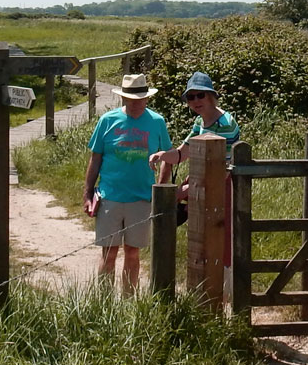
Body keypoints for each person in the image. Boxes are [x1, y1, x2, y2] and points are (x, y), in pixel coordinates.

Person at [84, 73, 173, 294]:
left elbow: (168, 158)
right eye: (130, 98)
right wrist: (87, 194)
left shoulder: (157, 122)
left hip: (142, 198)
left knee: (133, 252)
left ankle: (128, 301)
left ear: (147, 98)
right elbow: (95, 158)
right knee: (109, 251)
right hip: (109, 196)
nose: (135, 103)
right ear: (123, 98)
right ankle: (102, 302)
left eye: (140, 99)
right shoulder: (107, 120)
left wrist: (159, 190)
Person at [149, 71, 239, 270]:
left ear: (211, 96)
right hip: (202, 189)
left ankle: (224, 296)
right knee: (202, 245)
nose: (196, 101)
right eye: (191, 97)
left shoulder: (224, 124)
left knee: (220, 245)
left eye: (201, 95)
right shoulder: (200, 122)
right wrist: (162, 155)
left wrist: (187, 190)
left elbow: (222, 171)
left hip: (221, 192)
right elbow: (182, 154)